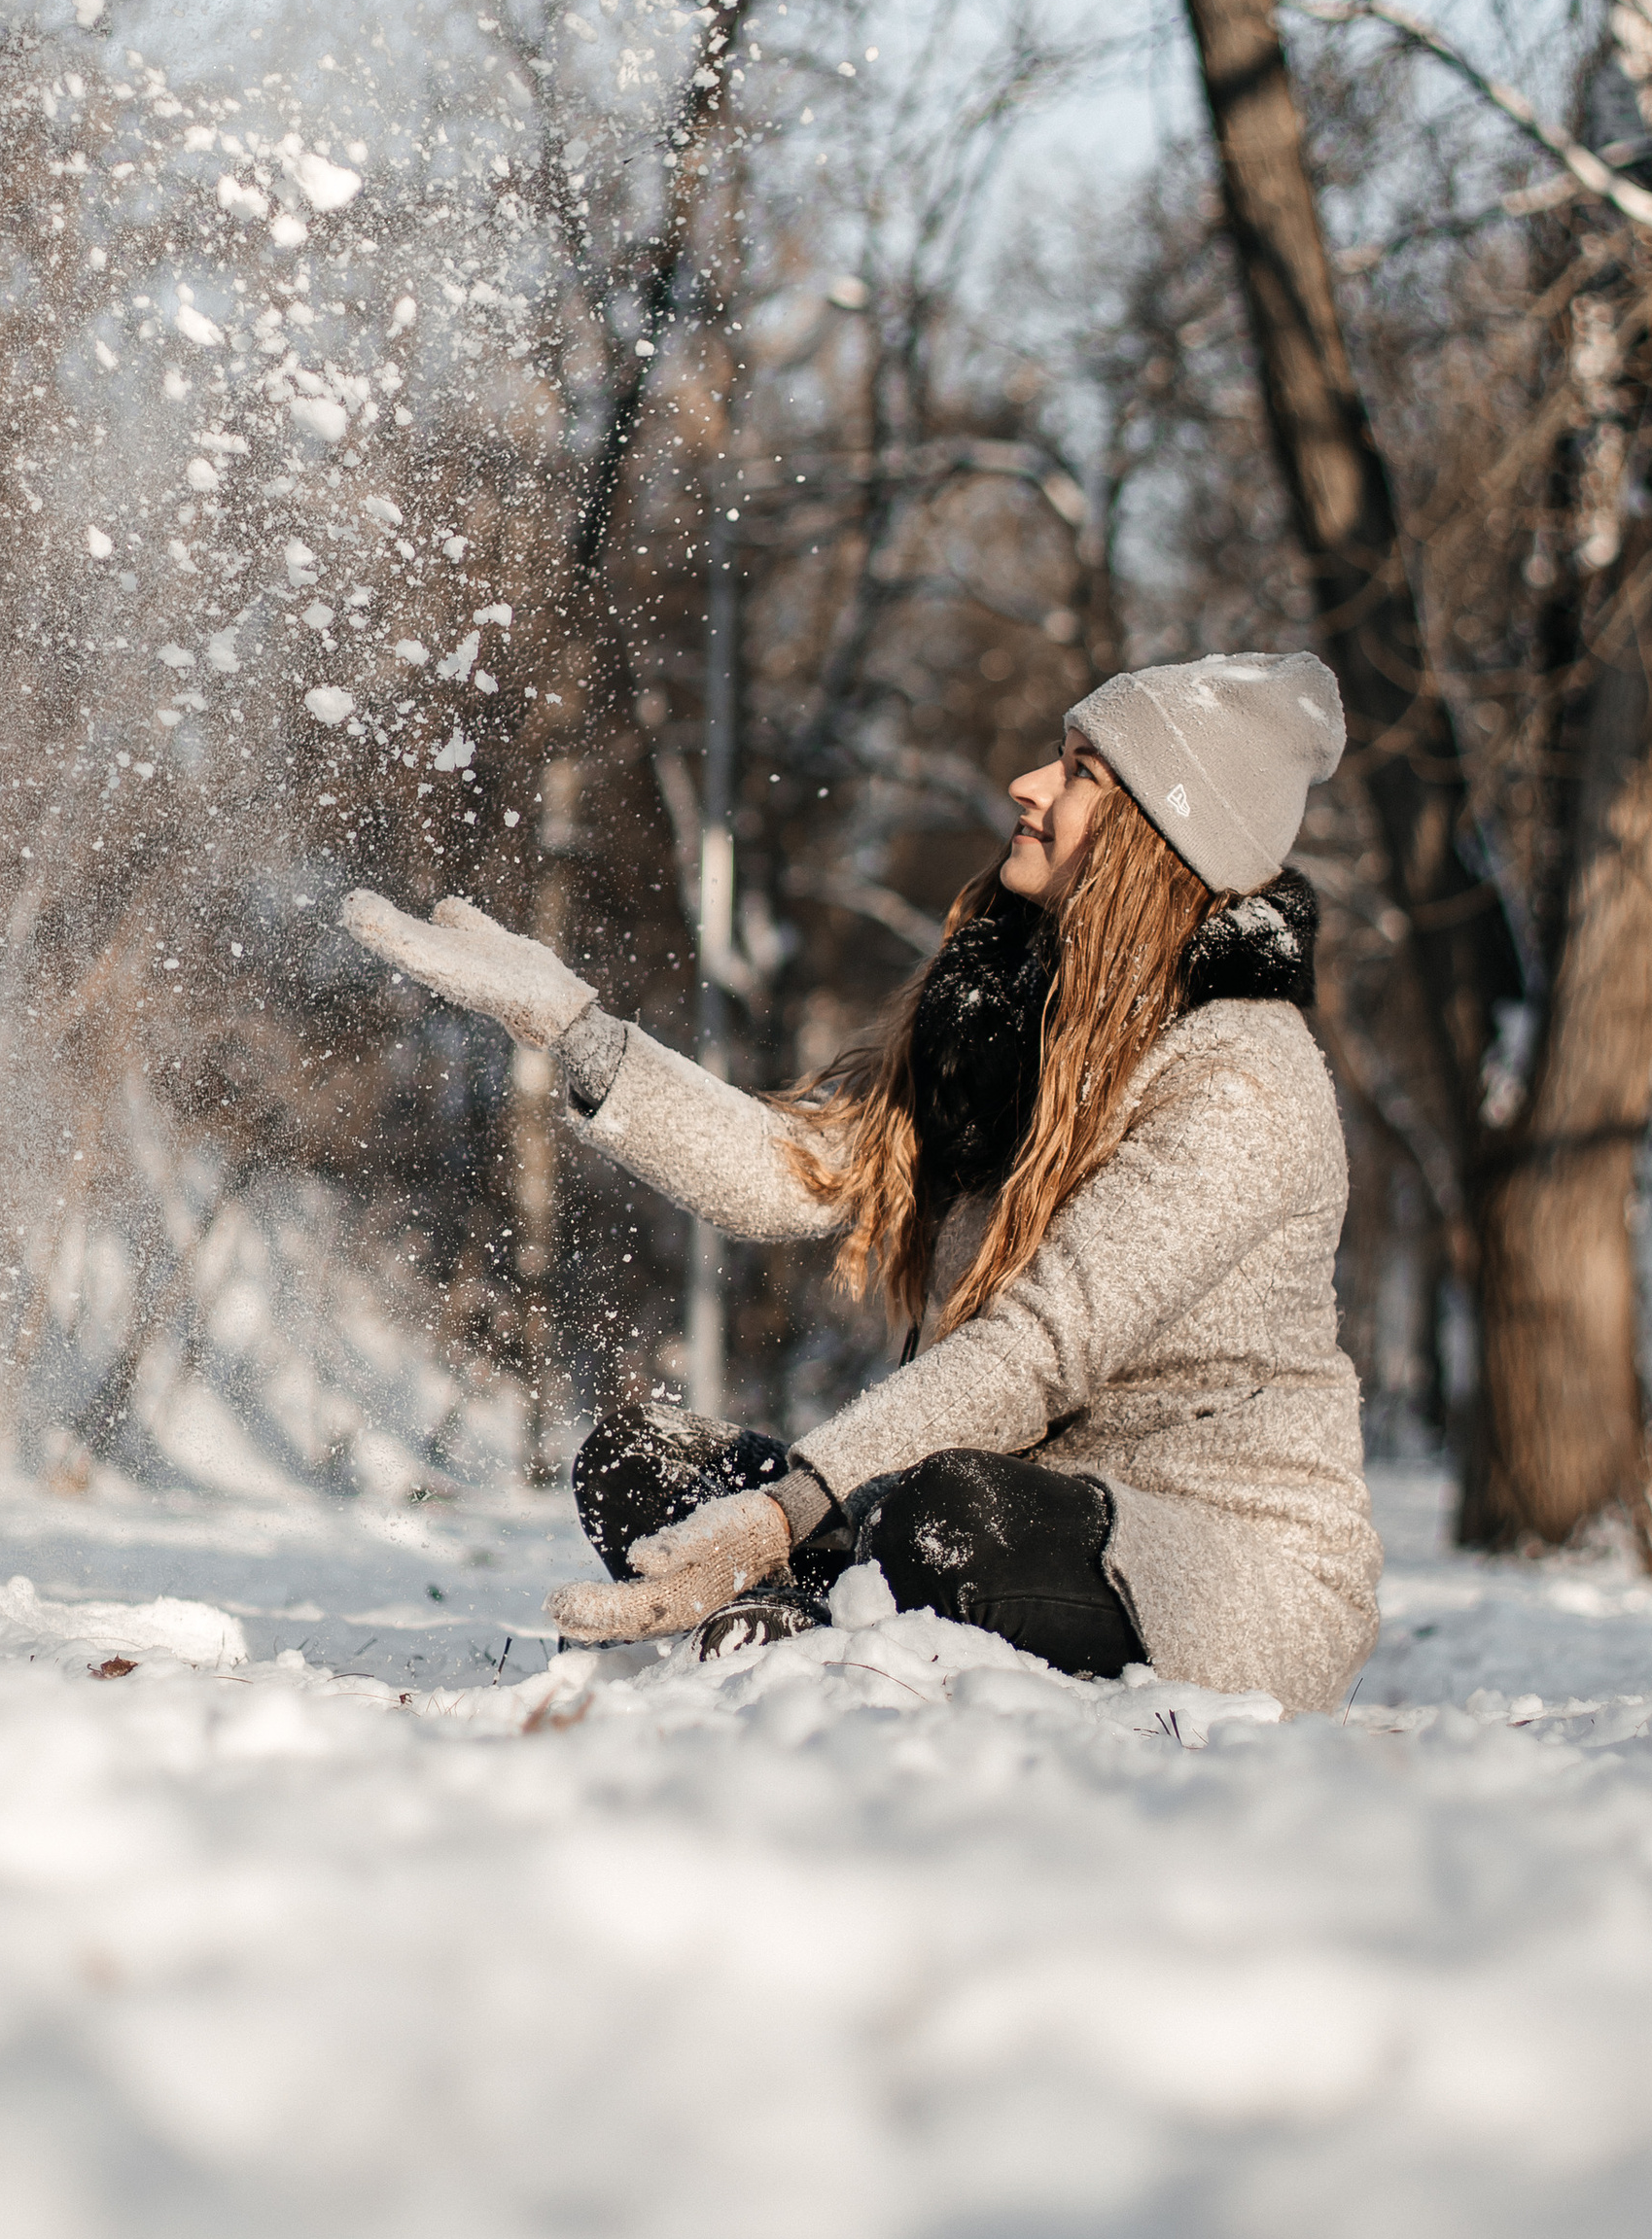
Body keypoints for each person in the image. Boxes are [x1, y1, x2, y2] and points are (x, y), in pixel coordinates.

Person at [342, 650, 1383, 1714]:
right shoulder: (1008, 1027)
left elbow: (1040, 1349)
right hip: (976, 1504)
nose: (1027, 786)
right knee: (640, 1460)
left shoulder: (1246, 1077)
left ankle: (798, 1610)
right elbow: (797, 1173)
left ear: (1163, 839)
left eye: (1079, 773)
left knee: (940, 1512)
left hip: (1213, 1571)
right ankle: (803, 1620)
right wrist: (568, 1025)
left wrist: (784, 1511)